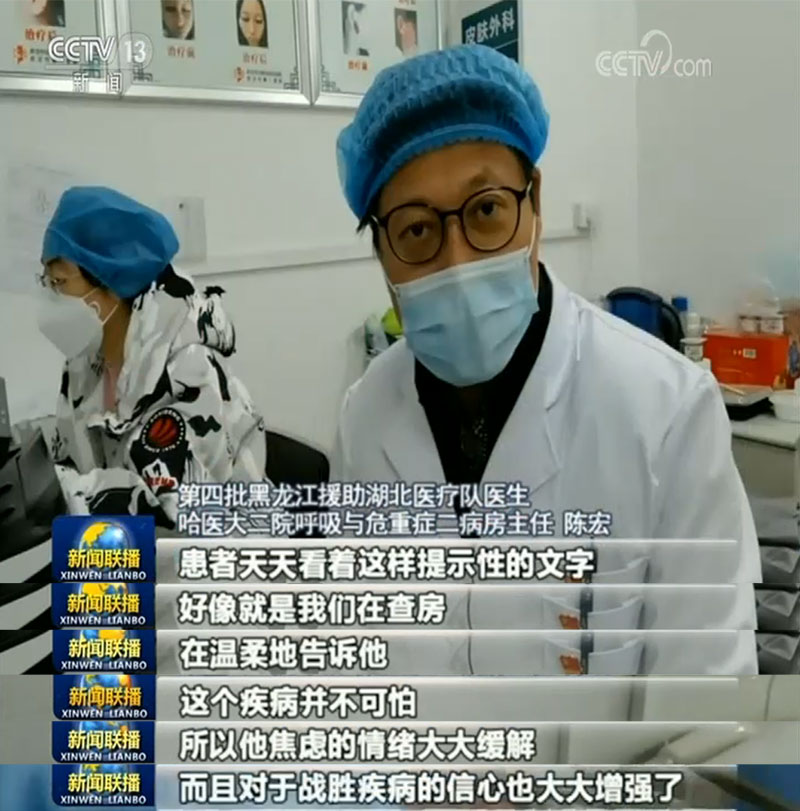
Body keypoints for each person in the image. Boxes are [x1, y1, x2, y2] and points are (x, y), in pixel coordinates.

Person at [333, 45, 761, 567]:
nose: (458, 264)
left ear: (535, 202)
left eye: (486, 209)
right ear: (380, 253)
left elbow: (710, 622)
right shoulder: (364, 416)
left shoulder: (670, 413)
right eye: (416, 230)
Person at [36, 186, 269, 529]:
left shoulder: (188, 368)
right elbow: (68, 458)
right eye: (45, 280)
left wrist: (69, 492)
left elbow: (174, 511)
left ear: (111, 281)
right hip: (122, 546)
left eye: (58, 281)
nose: (49, 294)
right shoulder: (83, 365)